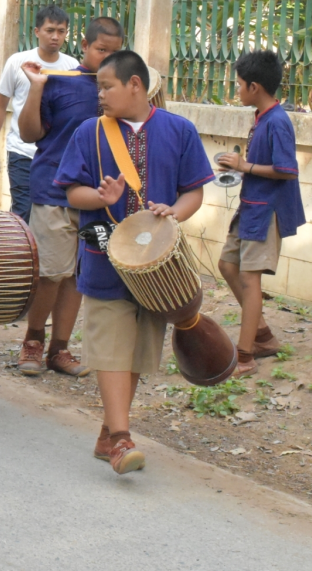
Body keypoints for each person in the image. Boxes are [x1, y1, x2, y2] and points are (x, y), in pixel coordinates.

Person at [55, 49, 214, 474]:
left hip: (158, 266)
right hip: (104, 254)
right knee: (110, 346)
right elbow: (72, 192)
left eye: (107, 87)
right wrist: (100, 198)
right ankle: (122, 441)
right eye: (98, 88)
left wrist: (173, 215)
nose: (100, 95)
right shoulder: (88, 132)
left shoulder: (179, 130)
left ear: (136, 85)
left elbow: (194, 192)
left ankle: (110, 429)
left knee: (140, 351)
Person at [16, 16, 124, 377]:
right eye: (101, 50)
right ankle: (33, 341)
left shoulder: (123, 93)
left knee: (78, 275)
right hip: (53, 192)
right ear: (85, 46)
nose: (106, 57)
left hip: (99, 198)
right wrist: (35, 88)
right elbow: (30, 134)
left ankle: (59, 350)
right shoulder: (60, 83)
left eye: (114, 53)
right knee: (51, 273)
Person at [217, 50, 304, 376]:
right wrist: (240, 169)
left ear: (254, 86)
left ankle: (245, 356)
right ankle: (264, 336)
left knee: (250, 280)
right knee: (228, 265)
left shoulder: (278, 122)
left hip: (266, 211)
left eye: (239, 84)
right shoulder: (261, 117)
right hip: (250, 207)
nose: (236, 90)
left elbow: (287, 170)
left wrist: (244, 165)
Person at [0, 6, 77, 221]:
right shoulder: (18, 62)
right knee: (23, 211)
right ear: (37, 32)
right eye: (50, 30)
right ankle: (14, 253)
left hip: (58, 156)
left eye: (61, 31)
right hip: (22, 152)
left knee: (52, 214)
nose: (55, 36)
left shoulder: (72, 67)